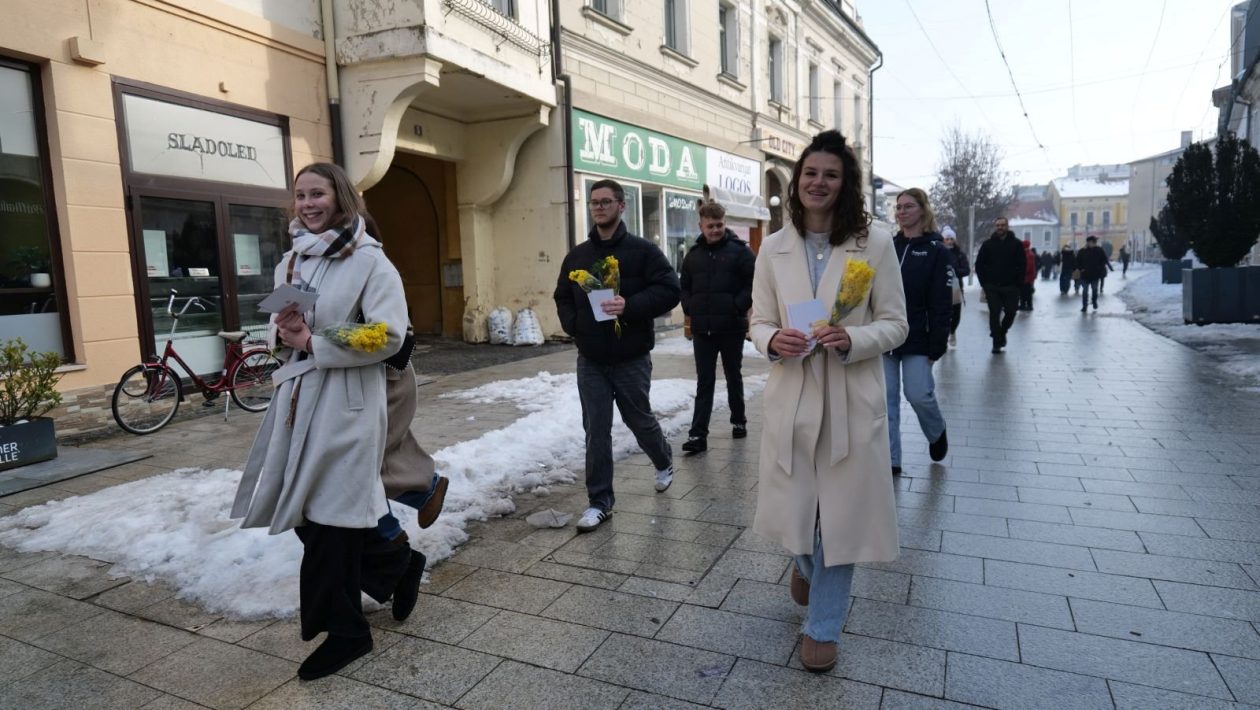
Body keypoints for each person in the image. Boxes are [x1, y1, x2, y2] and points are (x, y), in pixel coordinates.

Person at [231, 163, 422, 681]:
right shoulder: (290, 262)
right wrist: (285, 331)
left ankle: (346, 633)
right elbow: (283, 331)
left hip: (349, 402)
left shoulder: (371, 263)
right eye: (300, 195)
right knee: (309, 515)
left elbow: (388, 335)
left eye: (317, 193)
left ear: (340, 197)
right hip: (298, 398)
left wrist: (317, 342)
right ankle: (399, 567)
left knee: (330, 517)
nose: (308, 203)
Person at [749, 130, 908, 673]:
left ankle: (822, 627)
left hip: (849, 400)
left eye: (831, 175)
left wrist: (853, 339)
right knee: (796, 512)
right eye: (811, 173)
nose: (819, 183)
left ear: (847, 185)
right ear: (798, 181)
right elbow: (759, 320)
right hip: (793, 395)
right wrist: (772, 341)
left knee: (839, 520)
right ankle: (804, 562)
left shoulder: (876, 243)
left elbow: (896, 324)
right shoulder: (773, 247)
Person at [554, 178, 681, 532]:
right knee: (596, 429)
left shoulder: (643, 252)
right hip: (591, 358)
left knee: (639, 419)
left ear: (621, 206)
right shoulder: (577, 255)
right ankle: (600, 502)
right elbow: (562, 295)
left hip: (631, 357)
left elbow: (671, 289)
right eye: (594, 202)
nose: (599, 207)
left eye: (606, 202)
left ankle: (663, 458)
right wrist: (574, 324)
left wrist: (631, 305)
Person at [679, 201, 755, 454]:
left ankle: (738, 420)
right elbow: (685, 286)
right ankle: (698, 435)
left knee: (733, 376)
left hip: (731, 327)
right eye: (710, 226)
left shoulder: (741, 252)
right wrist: (689, 306)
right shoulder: (693, 254)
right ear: (701, 225)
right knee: (705, 381)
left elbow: (753, 283)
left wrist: (738, 305)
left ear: (725, 223)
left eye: (719, 225)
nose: (715, 230)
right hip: (703, 329)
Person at [885, 188, 951, 477]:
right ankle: (891, 460)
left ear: (923, 210)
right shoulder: (888, 246)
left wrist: (937, 344)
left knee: (918, 394)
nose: (901, 212)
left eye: (908, 206)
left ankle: (936, 431)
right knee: (885, 398)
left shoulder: (937, 250)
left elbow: (941, 301)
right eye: (898, 207)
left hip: (919, 337)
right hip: (885, 334)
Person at [974, 217, 1024, 353]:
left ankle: (1002, 332)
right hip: (992, 286)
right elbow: (979, 265)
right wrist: (984, 283)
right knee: (994, 313)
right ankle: (996, 342)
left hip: (1011, 286)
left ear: (1007, 226)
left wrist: (1018, 284)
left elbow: (1022, 265)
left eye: (1003, 225)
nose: (1000, 227)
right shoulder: (988, 244)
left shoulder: (1017, 244)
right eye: (998, 225)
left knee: (1011, 312)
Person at [941, 226, 969, 347]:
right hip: (941, 289)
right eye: (947, 238)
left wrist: (955, 271)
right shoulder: (939, 252)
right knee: (943, 314)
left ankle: (952, 331)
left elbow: (966, 270)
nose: (949, 241)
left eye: (951, 238)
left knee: (956, 315)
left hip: (956, 289)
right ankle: (944, 335)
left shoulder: (959, 254)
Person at [1077, 235, 1110, 312]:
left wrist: (1099, 268)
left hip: (1095, 275)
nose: (1091, 243)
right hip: (1085, 275)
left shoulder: (1099, 250)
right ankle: (1084, 306)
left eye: (1093, 242)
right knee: (1085, 291)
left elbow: (1104, 260)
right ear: (1088, 242)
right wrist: (1081, 268)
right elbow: (1077, 261)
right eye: (1090, 242)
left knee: (1094, 289)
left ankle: (1094, 301)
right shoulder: (1082, 251)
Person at [1019, 243, 1037, 311]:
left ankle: (1029, 305)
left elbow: (1028, 266)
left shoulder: (1029, 254)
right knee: (1023, 291)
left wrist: (1021, 272)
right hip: (1026, 276)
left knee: (1027, 292)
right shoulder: (1027, 253)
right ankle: (1023, 304)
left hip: (1027, 277)